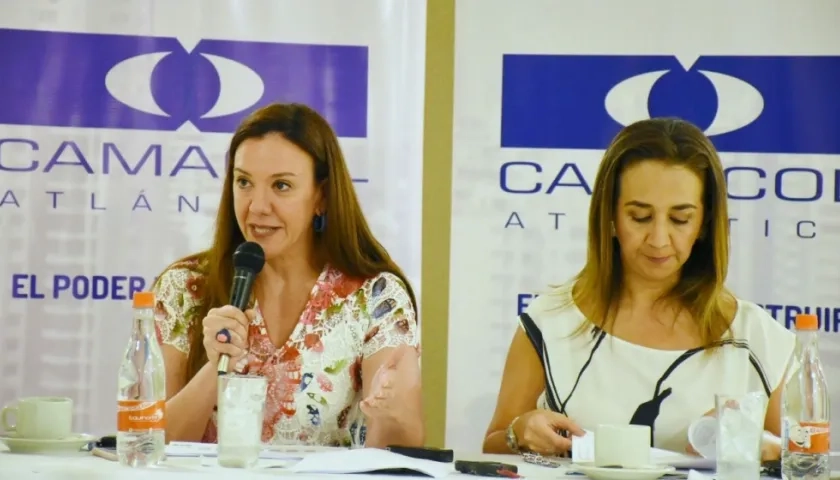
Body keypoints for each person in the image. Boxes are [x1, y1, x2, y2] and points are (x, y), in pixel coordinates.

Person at [483, 118, 795, 457]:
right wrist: (519, 433)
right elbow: (494, 446)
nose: (659, 240)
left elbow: (803, 462)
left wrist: (758, 444)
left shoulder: (757, 338)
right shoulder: (548, 323)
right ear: (611, 217)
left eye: (680, 219)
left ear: (704, 223)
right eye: (640, 217)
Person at [152, 103, 423, 448]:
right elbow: (150, 446)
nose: (257, 206)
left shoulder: (376, 297)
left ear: (321, 197)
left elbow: (402, 451)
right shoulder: (184, 288)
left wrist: (391, 415)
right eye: (244, 182)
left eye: (281, 186)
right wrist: (216, 367)